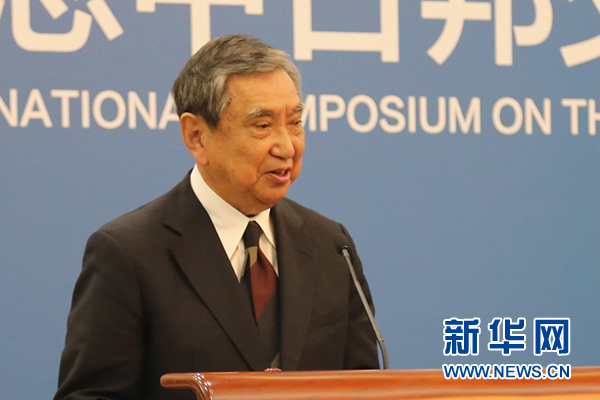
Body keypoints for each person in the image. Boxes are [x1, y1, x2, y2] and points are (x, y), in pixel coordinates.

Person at [54, 34, 379, 400]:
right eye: (263, 125)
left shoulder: (330, 245)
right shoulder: (129, 253)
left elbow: (366, 388)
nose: (287, 146)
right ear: (196, 136)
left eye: (295, 122)